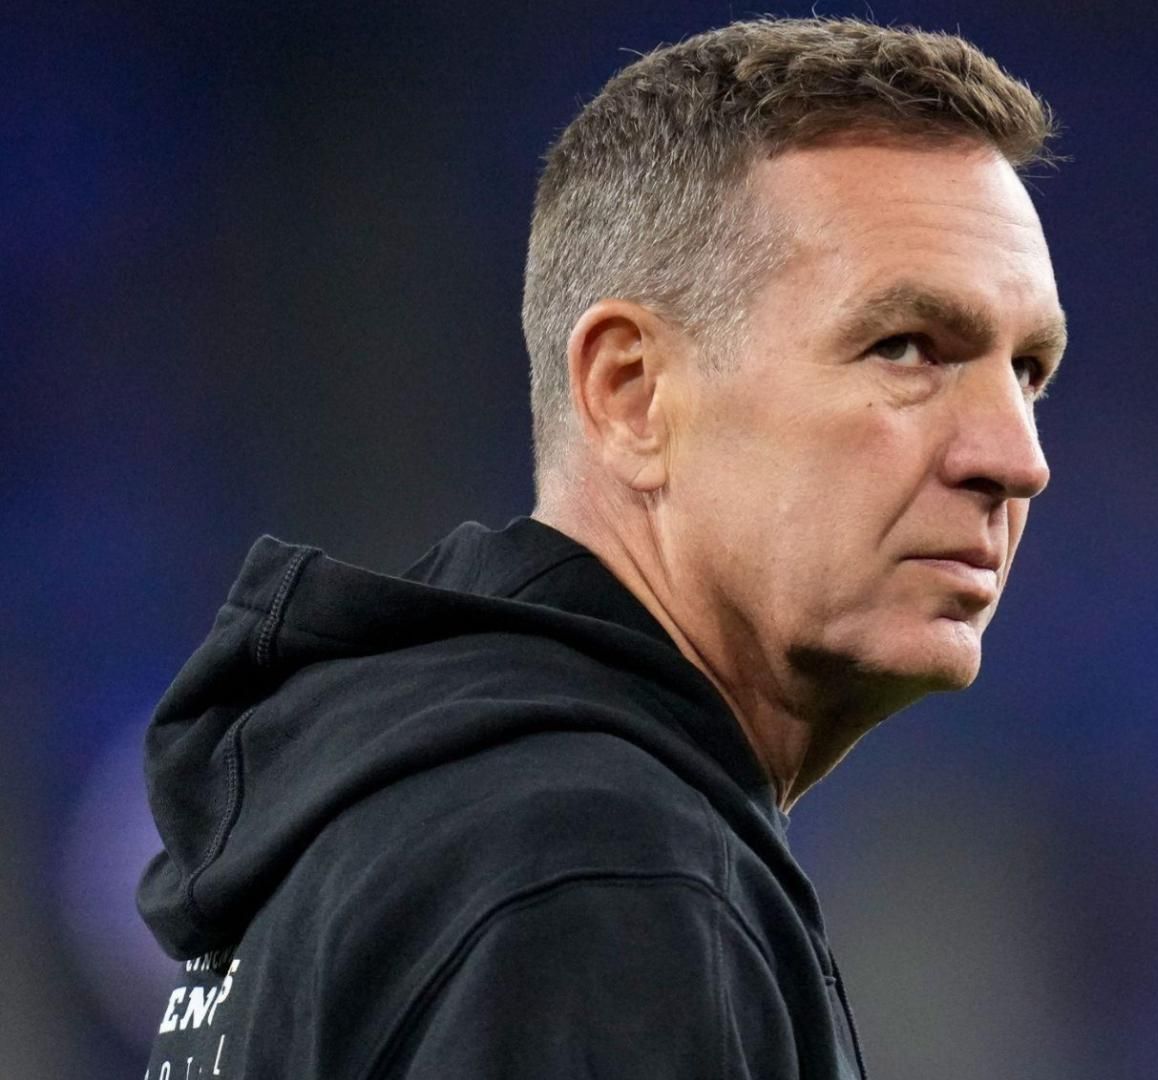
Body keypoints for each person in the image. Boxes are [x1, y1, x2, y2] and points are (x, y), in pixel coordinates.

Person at [137, 16, 1066, 1079]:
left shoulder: (391, 822)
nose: (1015, 457)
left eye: (1029, 371)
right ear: (630, 393)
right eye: (907, 348)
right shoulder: (603, 877)